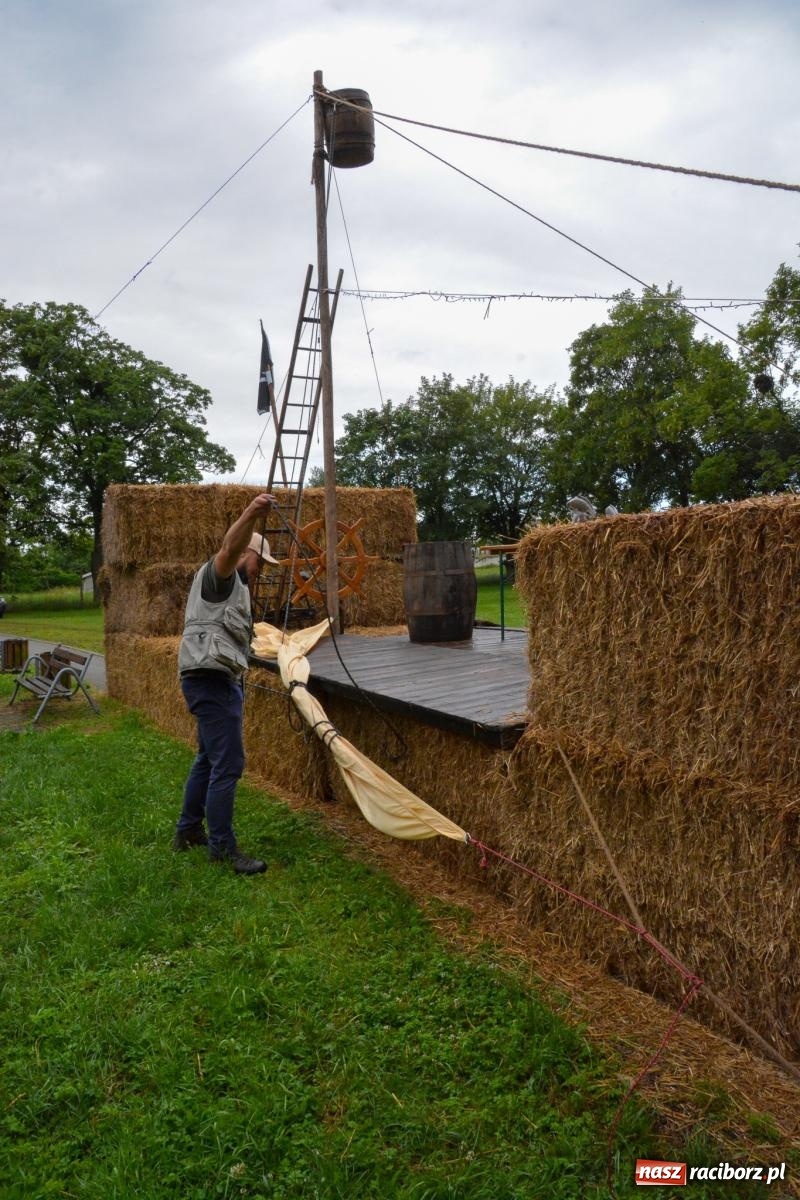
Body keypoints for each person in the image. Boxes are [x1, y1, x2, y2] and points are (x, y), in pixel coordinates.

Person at [173, 493, 278, 874]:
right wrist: (251, 511)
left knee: (207, 759)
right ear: (244, 553)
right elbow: (228, 547)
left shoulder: (238, 590)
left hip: (214, 679)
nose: (261, 569)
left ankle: (187, 831)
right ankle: (222, 847)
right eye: (260, 560)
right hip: (211, 682)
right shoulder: (222, 575)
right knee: (229, 765)